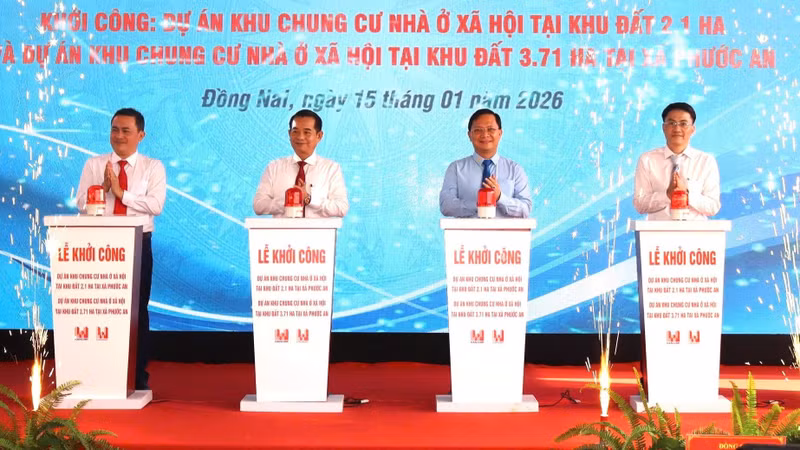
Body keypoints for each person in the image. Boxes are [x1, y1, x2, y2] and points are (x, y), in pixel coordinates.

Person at [76, 108, 167, 391]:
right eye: (115, 130)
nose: (119, 136)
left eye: (126, 131)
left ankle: (136, 376)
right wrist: (101, 188)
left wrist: (121, 193)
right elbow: (80, 203)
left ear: (141, 135)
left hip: (138, 242)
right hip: (101, 243)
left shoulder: (153, 167)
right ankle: (97, 373)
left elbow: (156, 206)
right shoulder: (95, 164)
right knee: (100, 309)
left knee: (136, 310)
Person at [633, 102, 721, 220]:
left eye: (683, 123)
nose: (677, 128)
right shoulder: (647, 160)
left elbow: (713, 207)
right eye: (671, 123)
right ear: (664, 128)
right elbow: (640, 204)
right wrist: (667, 195)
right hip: (656, 234)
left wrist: (686, 194)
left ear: (693, 129)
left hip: (696, 234)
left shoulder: (705, 161)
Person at [253, 109, 349, 217]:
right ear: (289, 134)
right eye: (295, 131)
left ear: (319, 136)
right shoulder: (274, 167)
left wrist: (309, 199)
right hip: (281, 233)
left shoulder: (331, 168)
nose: (300, 137)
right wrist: (288, 201)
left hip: (318, 233)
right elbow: (258, 205)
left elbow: (341, 208)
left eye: (307, 132)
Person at [439, 109, 532, 218]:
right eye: (478, 130)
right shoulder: (456, 168)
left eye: (491, 129)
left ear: (500, 133)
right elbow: (446, 206)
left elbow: (525, 209)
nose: (485, 134)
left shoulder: (515, 169)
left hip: (505, 234)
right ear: (469, 135)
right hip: (467, 234)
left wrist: (500, 197)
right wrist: (480, 204)